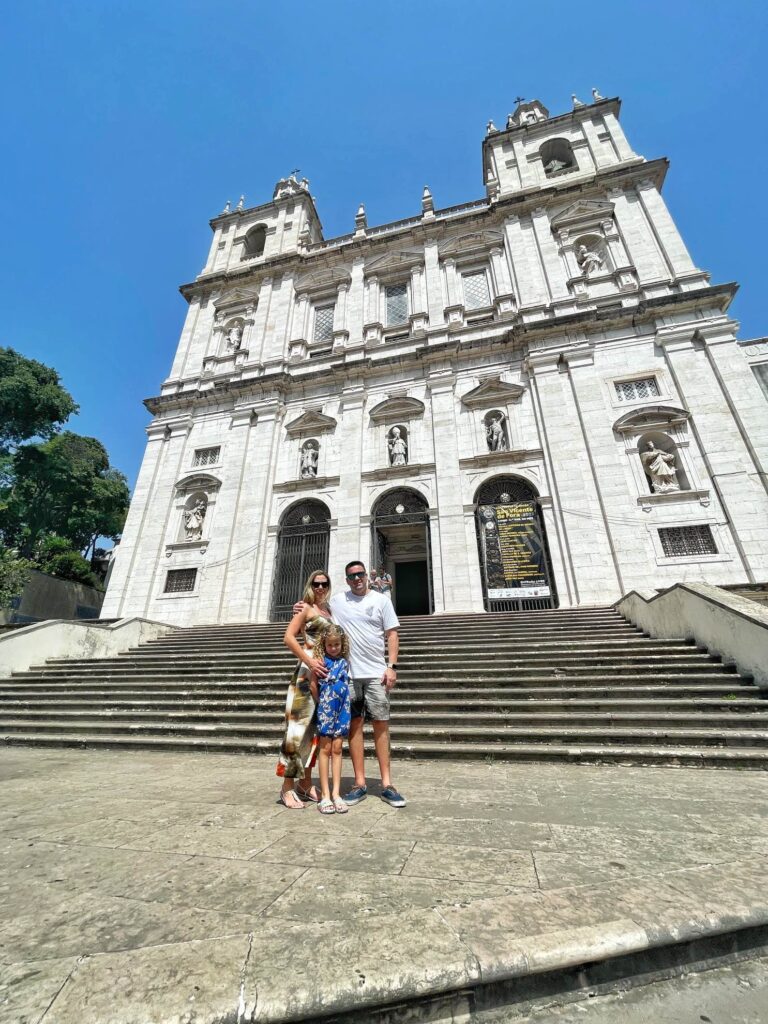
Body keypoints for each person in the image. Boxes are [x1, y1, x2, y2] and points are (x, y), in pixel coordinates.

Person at [329, 561, 406, 808]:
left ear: (367, 576)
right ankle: (359, 783)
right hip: (348, 675)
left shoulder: (382, 600)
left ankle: (387, 784)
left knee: (381, 725)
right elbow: (318, 607)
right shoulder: (338, 602)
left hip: (375, 674)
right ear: (347, 579)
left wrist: (391, 667)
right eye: (352, 576)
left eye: (360, 574)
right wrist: (302, 606)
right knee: (354, 726)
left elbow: (392, 633)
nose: (357, 579)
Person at [276, 569, 333, 808]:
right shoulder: (306, 608)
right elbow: (288, 637)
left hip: (324, 676)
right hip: (305, 675)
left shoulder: (329, 611)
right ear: (310, 585)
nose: (320, 587)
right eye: (316, 583)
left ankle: (305, 783)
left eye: (324, 583)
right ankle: (287, 787)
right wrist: (309, 661)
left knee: (315, 732)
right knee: (297, 732)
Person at [309, 625, 352, 815]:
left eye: (336, 644)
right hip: (327, 708)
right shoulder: (320, 662)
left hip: (343, 709)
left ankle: (336, 793)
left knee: (337, 748)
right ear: (324, 645)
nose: (333, 648)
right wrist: (323, 703)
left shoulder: (344, 662)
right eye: (330, 645)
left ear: (342, 645)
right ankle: (325, 794)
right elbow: (313, 686)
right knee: (325, 749)